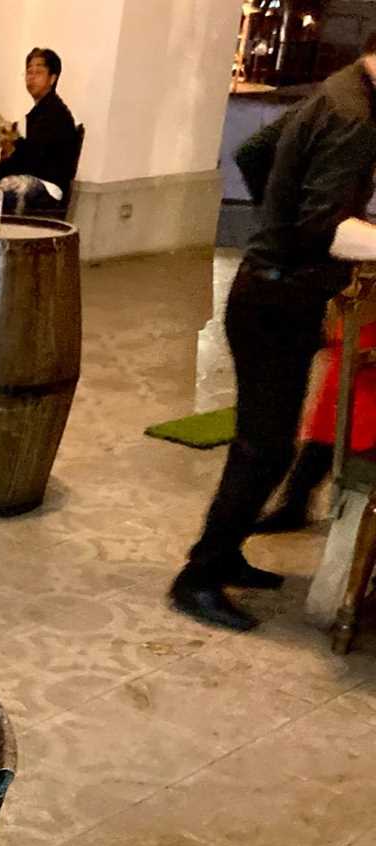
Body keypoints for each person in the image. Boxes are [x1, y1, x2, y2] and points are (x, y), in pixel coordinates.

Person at [169, 38, 376, 631]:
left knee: (265, 442)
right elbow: (328, 229)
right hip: (275, 301)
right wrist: (287, 231)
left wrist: (274, 221)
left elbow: (257, 150)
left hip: (268, 288)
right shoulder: (355, 116)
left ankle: (225, 555)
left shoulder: (338, 90)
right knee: (264, 449)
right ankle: (198, 576)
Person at [0, 47, 80, 214]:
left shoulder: (56, 113)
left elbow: (35, 158)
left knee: (8, 190)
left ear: (52, 78)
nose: (31, 77)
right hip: (30, 176)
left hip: (48, 185)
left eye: (39, 72)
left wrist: (14, 144)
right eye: (28, 72)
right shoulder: (35, 114)